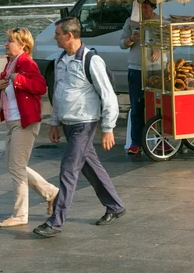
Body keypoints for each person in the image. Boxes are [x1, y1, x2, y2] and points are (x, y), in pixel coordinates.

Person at [33, 17, 125, 238]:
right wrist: (54, 122)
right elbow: (58, 93)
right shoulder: (60, 60)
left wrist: (108, 127)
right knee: (89, 166)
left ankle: (55, 222)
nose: (54, 37)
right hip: (68, 123)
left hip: (84, 123)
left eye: (57, 34)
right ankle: (115, 205)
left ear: (69, 35)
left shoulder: (91, 61)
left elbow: (108, 95)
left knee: (68, 169)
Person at [0, 27, 59, 228]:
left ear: (22, 45)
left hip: (25, 122)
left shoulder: (26, 63)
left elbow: (41, 86)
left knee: (17, 168)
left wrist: (18, 80)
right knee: (13, 165)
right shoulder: (11, 64)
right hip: (13, 120)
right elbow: (2, 93)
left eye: (10, 41)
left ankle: (21, 215)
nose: (6, 44)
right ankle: (51, 193)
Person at [120, 0, 160, 155]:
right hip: (136, 68)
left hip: (158, 69)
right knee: (137, 106)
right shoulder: (131, 22)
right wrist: (131, 39)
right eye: (141, 6)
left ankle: (161, 139)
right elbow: (121, 44)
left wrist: (157, 48)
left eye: (147, 6)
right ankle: (136, 142)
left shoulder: (160, 20)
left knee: (159, 105)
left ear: (153, 7)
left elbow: (170, 41)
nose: (144, 9)